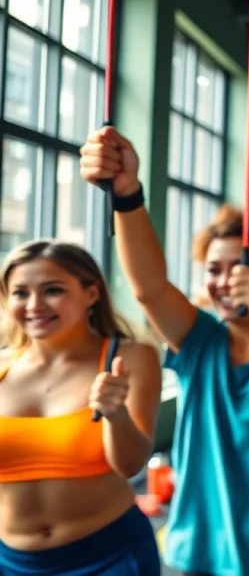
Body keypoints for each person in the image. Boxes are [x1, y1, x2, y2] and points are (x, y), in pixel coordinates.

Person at [79, 126, 249, 576]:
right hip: (200, 553)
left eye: (239, 268)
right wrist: (126, 193)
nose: (222, 281)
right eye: (213, 270)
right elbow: (149, 288)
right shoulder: (200, 340)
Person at [0, 240, 162, 575]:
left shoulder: (130, 358)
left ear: (92, 293)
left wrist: (116, 416)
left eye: (53, 290)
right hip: (10, 560)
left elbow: (131, 465)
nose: (34, 305)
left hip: (110, 556)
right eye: (19, 293)